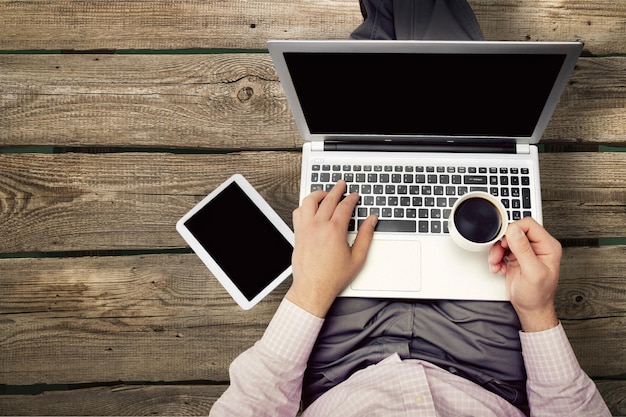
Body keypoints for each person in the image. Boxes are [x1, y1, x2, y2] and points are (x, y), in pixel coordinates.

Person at [209, 180, 611, 416]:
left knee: (367, 95)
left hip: (338, 366)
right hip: (486, 368)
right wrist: (537, 309)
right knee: (470, 126)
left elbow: (249, 405)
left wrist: (311, 287)